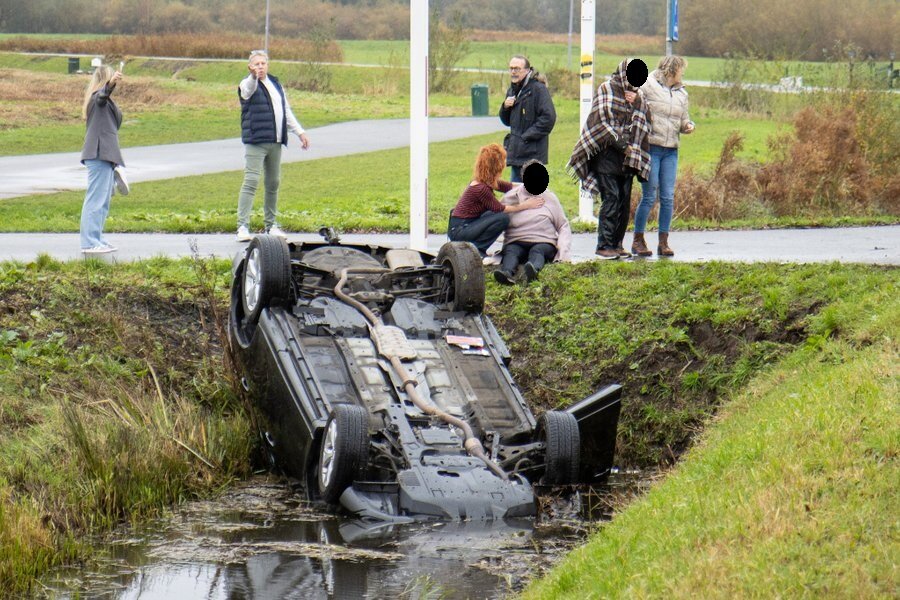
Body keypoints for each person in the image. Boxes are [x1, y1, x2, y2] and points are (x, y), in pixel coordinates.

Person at [568, 58, 652, 260]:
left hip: (628, 160)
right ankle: (604, 245)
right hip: (607, 156)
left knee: (624, 202)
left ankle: (617, 244)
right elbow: (603, 123)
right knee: (611, 199)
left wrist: (637, 102)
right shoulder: (607, 88)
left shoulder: (638, 95)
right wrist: (623, 145)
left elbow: (646, 120)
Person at [236, 49, 310, 242]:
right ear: (250, 67)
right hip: (256, 140)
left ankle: (271, 225)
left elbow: (285, 111)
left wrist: (300, 132)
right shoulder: (247, 83)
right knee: (251, 181)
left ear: (268, 65)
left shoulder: (276, 84)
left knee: (273, 182)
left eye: (263, 63)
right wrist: (253, 77)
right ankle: (242, 226)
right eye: (257, 64)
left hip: (275, 141)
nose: (260, 66)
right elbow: (248, 91)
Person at [632, 55, 694, 257]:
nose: (682, 73)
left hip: (671, 151)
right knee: (649, 196)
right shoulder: (648, 85)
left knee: (667, 196)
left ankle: (663, 242)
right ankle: (638, 239)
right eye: (681, 70)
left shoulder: (682, 94)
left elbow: (684, 119)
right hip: (651, 148)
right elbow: (634, 101)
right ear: (673, 70)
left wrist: (688, 126)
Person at [448, 143, 544, 257]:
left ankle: (477, 249)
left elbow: (509, 186)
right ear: (496, 166)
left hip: (467, 224)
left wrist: (533, 184)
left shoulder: (484, 180)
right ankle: (477, 250)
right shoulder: (481, 188)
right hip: (460, 230)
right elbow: (501, 209)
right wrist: (527, 205)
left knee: (492, 214)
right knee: (502, 218)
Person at [493, 160, 571, 285]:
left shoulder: (550, 198)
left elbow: (563, 225)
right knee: (511, 252)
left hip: (543, 241)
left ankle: (533, 269)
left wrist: (563, 250)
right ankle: (507, 273)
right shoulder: (512, 196)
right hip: (516, 240)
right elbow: (497, 216)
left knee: (537, 251)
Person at [79, 63, 125, 254]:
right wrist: (111, 84)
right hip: (98, 154)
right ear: (105, 79)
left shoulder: (103, 101)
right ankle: (89, 242)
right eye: (110, 78)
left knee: (103, 201)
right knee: (95, 200)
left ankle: (97, 238)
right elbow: (102, 97)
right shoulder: (98, 97)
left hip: (106, 155)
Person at [499, 55, 556, 183]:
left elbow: (549, 118)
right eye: (511, 68)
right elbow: (506, 121)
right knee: (516, 196)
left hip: (533, 155)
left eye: (517, 69)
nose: (513, 72)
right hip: (516, 154)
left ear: (527, 70)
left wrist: (526, 136)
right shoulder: (512, 91)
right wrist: (505, 107)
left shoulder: (538, 89)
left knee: (533, 198)